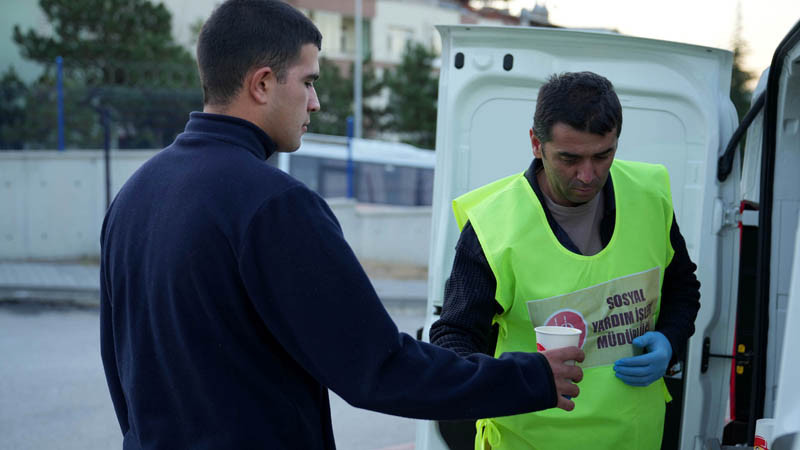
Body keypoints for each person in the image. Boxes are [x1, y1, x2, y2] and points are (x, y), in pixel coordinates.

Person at [98, 1, 586, 448]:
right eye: (308, 82)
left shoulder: (134, 194)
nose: (314, 102)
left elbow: (121, 369)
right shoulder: (275, 206)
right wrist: (531, 378)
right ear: (262, 83)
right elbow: (379, 368)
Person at [430, 71, 701, 449]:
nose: (588, 175)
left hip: (632, 436)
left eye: (603, 155)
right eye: (569, 158)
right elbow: (453, 337)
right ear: (536, 144)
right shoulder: (495, 226)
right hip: (529, 440)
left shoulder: (649, 198)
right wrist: (509, 381)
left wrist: (670, 340)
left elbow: (682, 288)